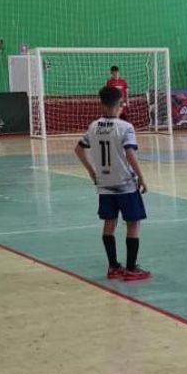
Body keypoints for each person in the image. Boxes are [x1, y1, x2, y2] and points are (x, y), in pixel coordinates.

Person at [73, 86, 150, 281]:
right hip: (125, 183)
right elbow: (130, 153)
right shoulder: (125, 127)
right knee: (133, 223)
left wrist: (92, 172)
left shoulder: (93, 126)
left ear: (101, 103)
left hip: (104, 184)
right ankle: (131, 269)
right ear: (121, 104)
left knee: (109, 223)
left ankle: (113, 267)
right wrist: (141, 177)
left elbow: (79, 149)